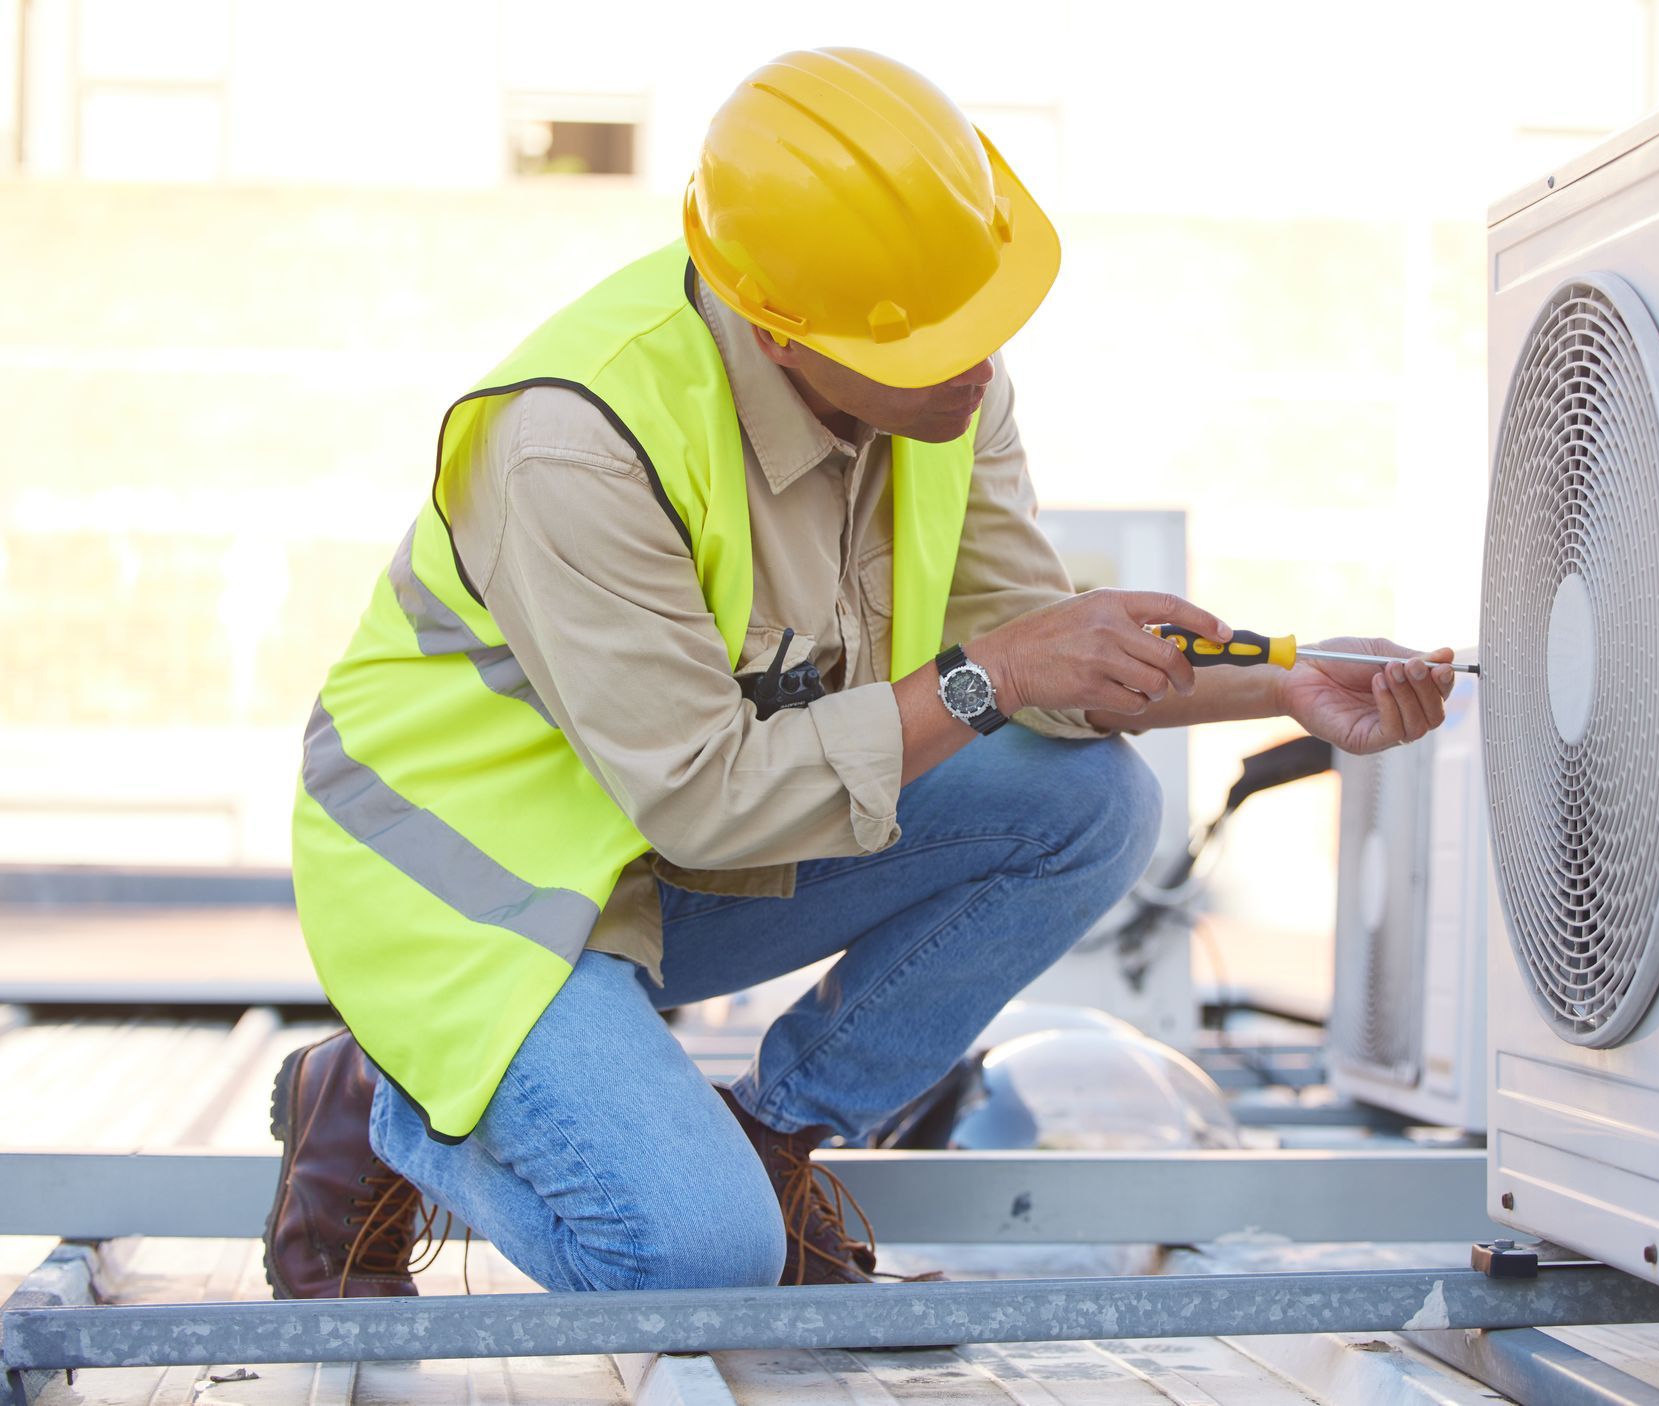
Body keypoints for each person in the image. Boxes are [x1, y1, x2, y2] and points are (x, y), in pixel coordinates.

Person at [262, 46, 1455, 1300]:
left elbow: (1047, 664)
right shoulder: (575, 439)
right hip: (470, 892)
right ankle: (382, 1095)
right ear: (779, 329)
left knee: (1091, 801)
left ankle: (771, 1138)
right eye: (942, 341)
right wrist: (989, 671)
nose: (984, 361)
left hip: (655, 858)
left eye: (985, 317)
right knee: (695, 1259)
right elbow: (716, 795)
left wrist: (1290, 682)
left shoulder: (936, 382)